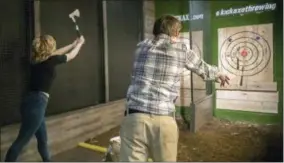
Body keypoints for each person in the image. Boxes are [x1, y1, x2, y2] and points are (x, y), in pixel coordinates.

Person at [119, 15, 230, 162]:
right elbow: (204, 69)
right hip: (163, 120)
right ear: (176, 33)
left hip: (134, 118)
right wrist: (220, 74)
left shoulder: (141, 47)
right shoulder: (181, 49)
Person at [4, 34, 85, 162]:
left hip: (30, 102)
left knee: (42, 140)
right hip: (37, 104)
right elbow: (71, 56)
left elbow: (55, 53)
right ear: (49, 48)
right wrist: (80, 45)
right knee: (20, 142)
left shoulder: (37, 60)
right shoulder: (50, 60)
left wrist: (72, 44)